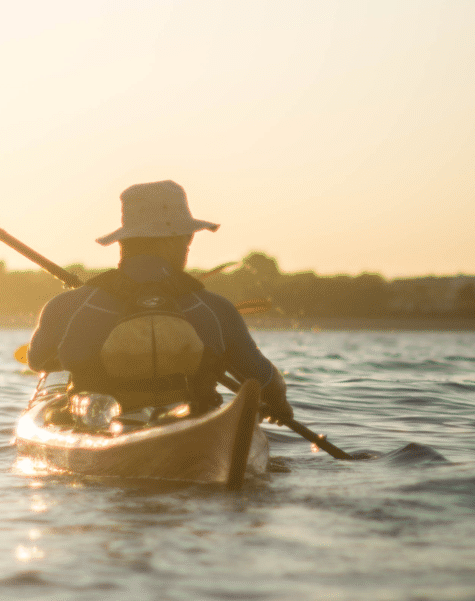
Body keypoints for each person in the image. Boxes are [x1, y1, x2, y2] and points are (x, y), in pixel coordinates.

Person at [27, 180, 292, 422]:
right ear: (175, 240)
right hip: (193, 430)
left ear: (124, 241)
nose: (189, 244)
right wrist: (279, 406)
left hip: (101, 427)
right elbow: (265, 381)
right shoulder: (215, 309)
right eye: (188, 237)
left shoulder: (69, 305)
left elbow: (38, 360)